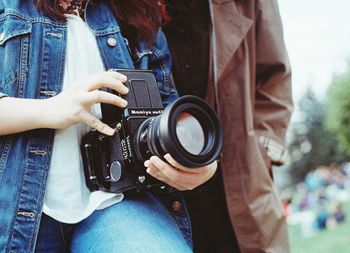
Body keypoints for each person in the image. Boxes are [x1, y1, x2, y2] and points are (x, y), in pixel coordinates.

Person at [0, 0, 217, 252]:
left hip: (118, 199)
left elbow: (168, 115)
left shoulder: (137, 12)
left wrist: (199, 164)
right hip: (15, 203)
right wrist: (51, 109)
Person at [152, 0, 293, 252]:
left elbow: (275, 79)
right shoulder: (129, 6)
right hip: (163, 181)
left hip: (242, 176)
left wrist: (261, 151)